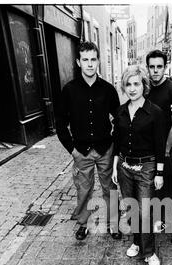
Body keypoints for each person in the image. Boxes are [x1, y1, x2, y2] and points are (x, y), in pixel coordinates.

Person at [56, 41, 121, 241]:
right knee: (83, 188)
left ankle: (113, 224)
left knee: (109, 188)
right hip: (81, 150)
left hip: (105, 148)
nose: (90, 64)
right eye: (85, 60)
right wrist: (72, 150)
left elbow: (119, 121)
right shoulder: (69, 90)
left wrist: (115, 149)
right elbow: (60, 123)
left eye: (93, 59)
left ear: (98, 61)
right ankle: (83, 223)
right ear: (78, 62)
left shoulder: (108, 90)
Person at [112, 65, 166, 265]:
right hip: (125, 166)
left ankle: (149, 251)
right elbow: (117, 140)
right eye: (128, 84)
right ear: (124, 87)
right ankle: (136, 242)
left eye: (136, 84)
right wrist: (116, 164)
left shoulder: (155, 112)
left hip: (147, 168)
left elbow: (160, 146)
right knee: (131, 208)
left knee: (145, 211)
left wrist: (159, 173)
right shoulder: (121, 111)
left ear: (144, 85)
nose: (132, 88)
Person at [146, 50, 172, 232]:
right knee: (150, 184)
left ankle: (165, 221)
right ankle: (152, 218)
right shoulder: (145, 88)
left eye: (159, 67)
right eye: (152, 67)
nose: (155, 71)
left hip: (166, 148)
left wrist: (166, 150)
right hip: (147, 149)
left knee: (166, 186)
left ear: (165, 67)